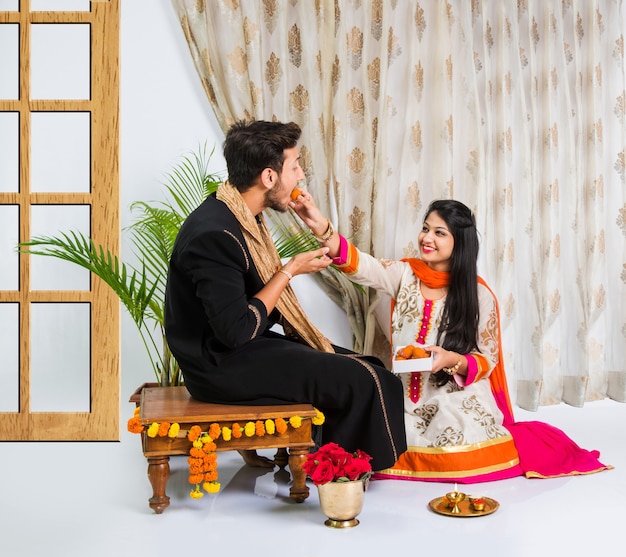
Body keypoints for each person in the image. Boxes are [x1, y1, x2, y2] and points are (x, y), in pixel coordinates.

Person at [292, 197, 611, 483]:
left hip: (452, 394)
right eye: (425, 229)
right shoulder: (405, 274)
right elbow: (360, 264)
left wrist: (451, 360)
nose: (426, 238)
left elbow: (488, 359)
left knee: (459, 445)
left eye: (439, 233)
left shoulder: (478, 293)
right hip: (401, 394)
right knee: (375, 438)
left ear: (460, 242)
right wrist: (320, 224)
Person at [163, 119, 407, 472]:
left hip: (241, 350)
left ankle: (340, 467)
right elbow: (235, 331)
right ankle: (344, 474)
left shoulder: (238, 214)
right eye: (294, 166)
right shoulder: (215, 234)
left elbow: (255, 306)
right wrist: (289, 271)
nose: (301, 174)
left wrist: (315, 227)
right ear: (269, 177)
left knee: (373, 367)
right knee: (364, 381)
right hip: (219, 366)